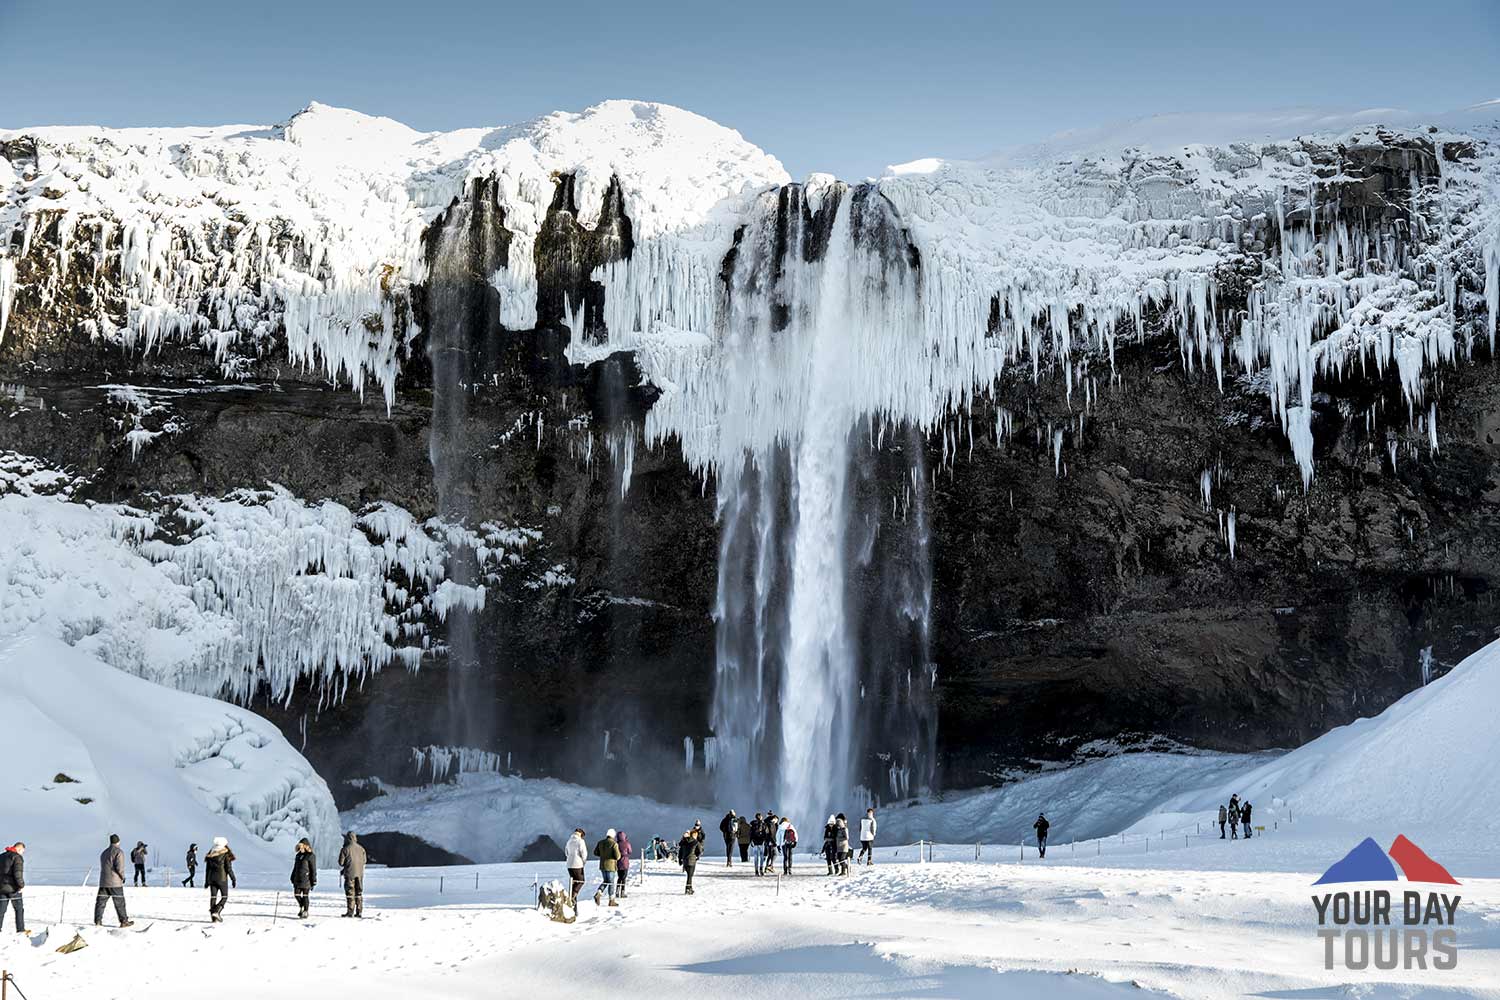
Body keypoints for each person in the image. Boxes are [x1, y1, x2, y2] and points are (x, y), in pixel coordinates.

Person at [95, 834, 134, 927]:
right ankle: (124, 921)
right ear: (118, 841)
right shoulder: (119, 852)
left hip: (104, 882)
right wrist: (122, 877)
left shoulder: (104, 853)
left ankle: (98, 921)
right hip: (115, 883)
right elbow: (119, 867)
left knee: (100, 902)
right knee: (119, 903)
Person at [204, 836, 236, 923]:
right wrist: (233, 879)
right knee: (224, 896)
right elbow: (228, 868)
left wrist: (206, 881)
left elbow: (207, 870)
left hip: (211, 879)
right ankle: (216, 912)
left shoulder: (210, 853)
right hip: (222, 879)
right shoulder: (225, 854)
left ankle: (213, 918)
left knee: (213, 897)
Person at [339, 831, 366, 918]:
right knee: (359, 892)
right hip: (360, 874)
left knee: (350, 892)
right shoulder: (361, 848)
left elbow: (341, 862)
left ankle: (350, 912)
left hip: (349, 874)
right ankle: (359, 912)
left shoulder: (345, 849)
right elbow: (365, 861)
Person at [0, 842, 26, 934]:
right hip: (13, 888)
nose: (22, 853)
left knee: (1, 910)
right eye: (23, 851)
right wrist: (21, 885)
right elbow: (18, 873)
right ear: (19, 849)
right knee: (19, 909)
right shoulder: (17, 857)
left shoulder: (1, 856)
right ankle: (21, 931)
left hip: (1, 888)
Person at [290, 838, 317, 919]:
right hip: (297, 879)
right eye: (299, 846)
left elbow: (313, 869)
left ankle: (305, 911)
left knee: (305, 896)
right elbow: (295, 867)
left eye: (301, 846)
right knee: (296, 894)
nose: (300, 847)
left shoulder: (311, 856)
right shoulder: (298, 856)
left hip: (306, 880)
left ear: (305, 846)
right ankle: (301, 906)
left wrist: (314, 881)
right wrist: (292, 877)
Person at [593, 829, 621, 907]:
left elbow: (595, 852)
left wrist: (603, 855)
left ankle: (598, 893)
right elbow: (617, 856)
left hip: (602, 865)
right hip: (611, 866)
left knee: (606, 881)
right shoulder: (614, 844)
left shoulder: (600, 842)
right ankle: (611, 900)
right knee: (611, 883)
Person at [565, 828, 587, 903]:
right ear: (581, 834)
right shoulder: (580, 841)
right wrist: (583, 862)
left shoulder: (569, 841)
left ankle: (573, 902)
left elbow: (566, 852)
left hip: (569, 864)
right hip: (577, 864)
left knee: (573, 882)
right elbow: (584, 853)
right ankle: (572, 896)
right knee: (581, 881)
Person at [678, 829, 702, 895]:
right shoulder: (696, 842)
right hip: (692, 861)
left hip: (685, 861)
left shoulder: (683, 842)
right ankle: (687, 889)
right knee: (690, 876)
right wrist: (697, 856)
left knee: (689, 875)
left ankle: (690, 888)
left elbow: (680, 852)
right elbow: (700, 851)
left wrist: (680, 860)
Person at [616, 830, 633, 900]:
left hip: (618, 862)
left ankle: (617, 891)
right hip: (625, 862)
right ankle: (622, 892)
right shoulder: (627, 843)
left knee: (619, 877)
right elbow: (630, 851)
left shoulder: (616, 844)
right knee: (624, 878)